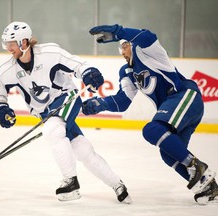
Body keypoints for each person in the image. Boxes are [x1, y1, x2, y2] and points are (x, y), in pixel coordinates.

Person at [0, 21, 131, 203]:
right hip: (44, 113)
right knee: (82, 150)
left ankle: (71, 182)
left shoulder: (50, 53)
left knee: (52, 131)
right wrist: (1, 110)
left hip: (67, 98)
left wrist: (89, 73)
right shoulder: (8, 70)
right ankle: (118, 185)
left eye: (11, 43)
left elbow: (77, 64)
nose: (8, 48)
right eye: (6, 44)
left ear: (24, 42)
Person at [82, 24, 218, 205]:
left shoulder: (149, 51)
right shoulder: (126, 71)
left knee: (151, 129)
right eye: (120, 48)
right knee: (168, 153)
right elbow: (123, 101)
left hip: (185, 97)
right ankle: (209, 186)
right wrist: (99, 104)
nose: (122, 52)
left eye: (124, 46)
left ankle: (196, 166)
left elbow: (147, 36)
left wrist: (118, 31)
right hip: (177, 108)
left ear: (132, 44)